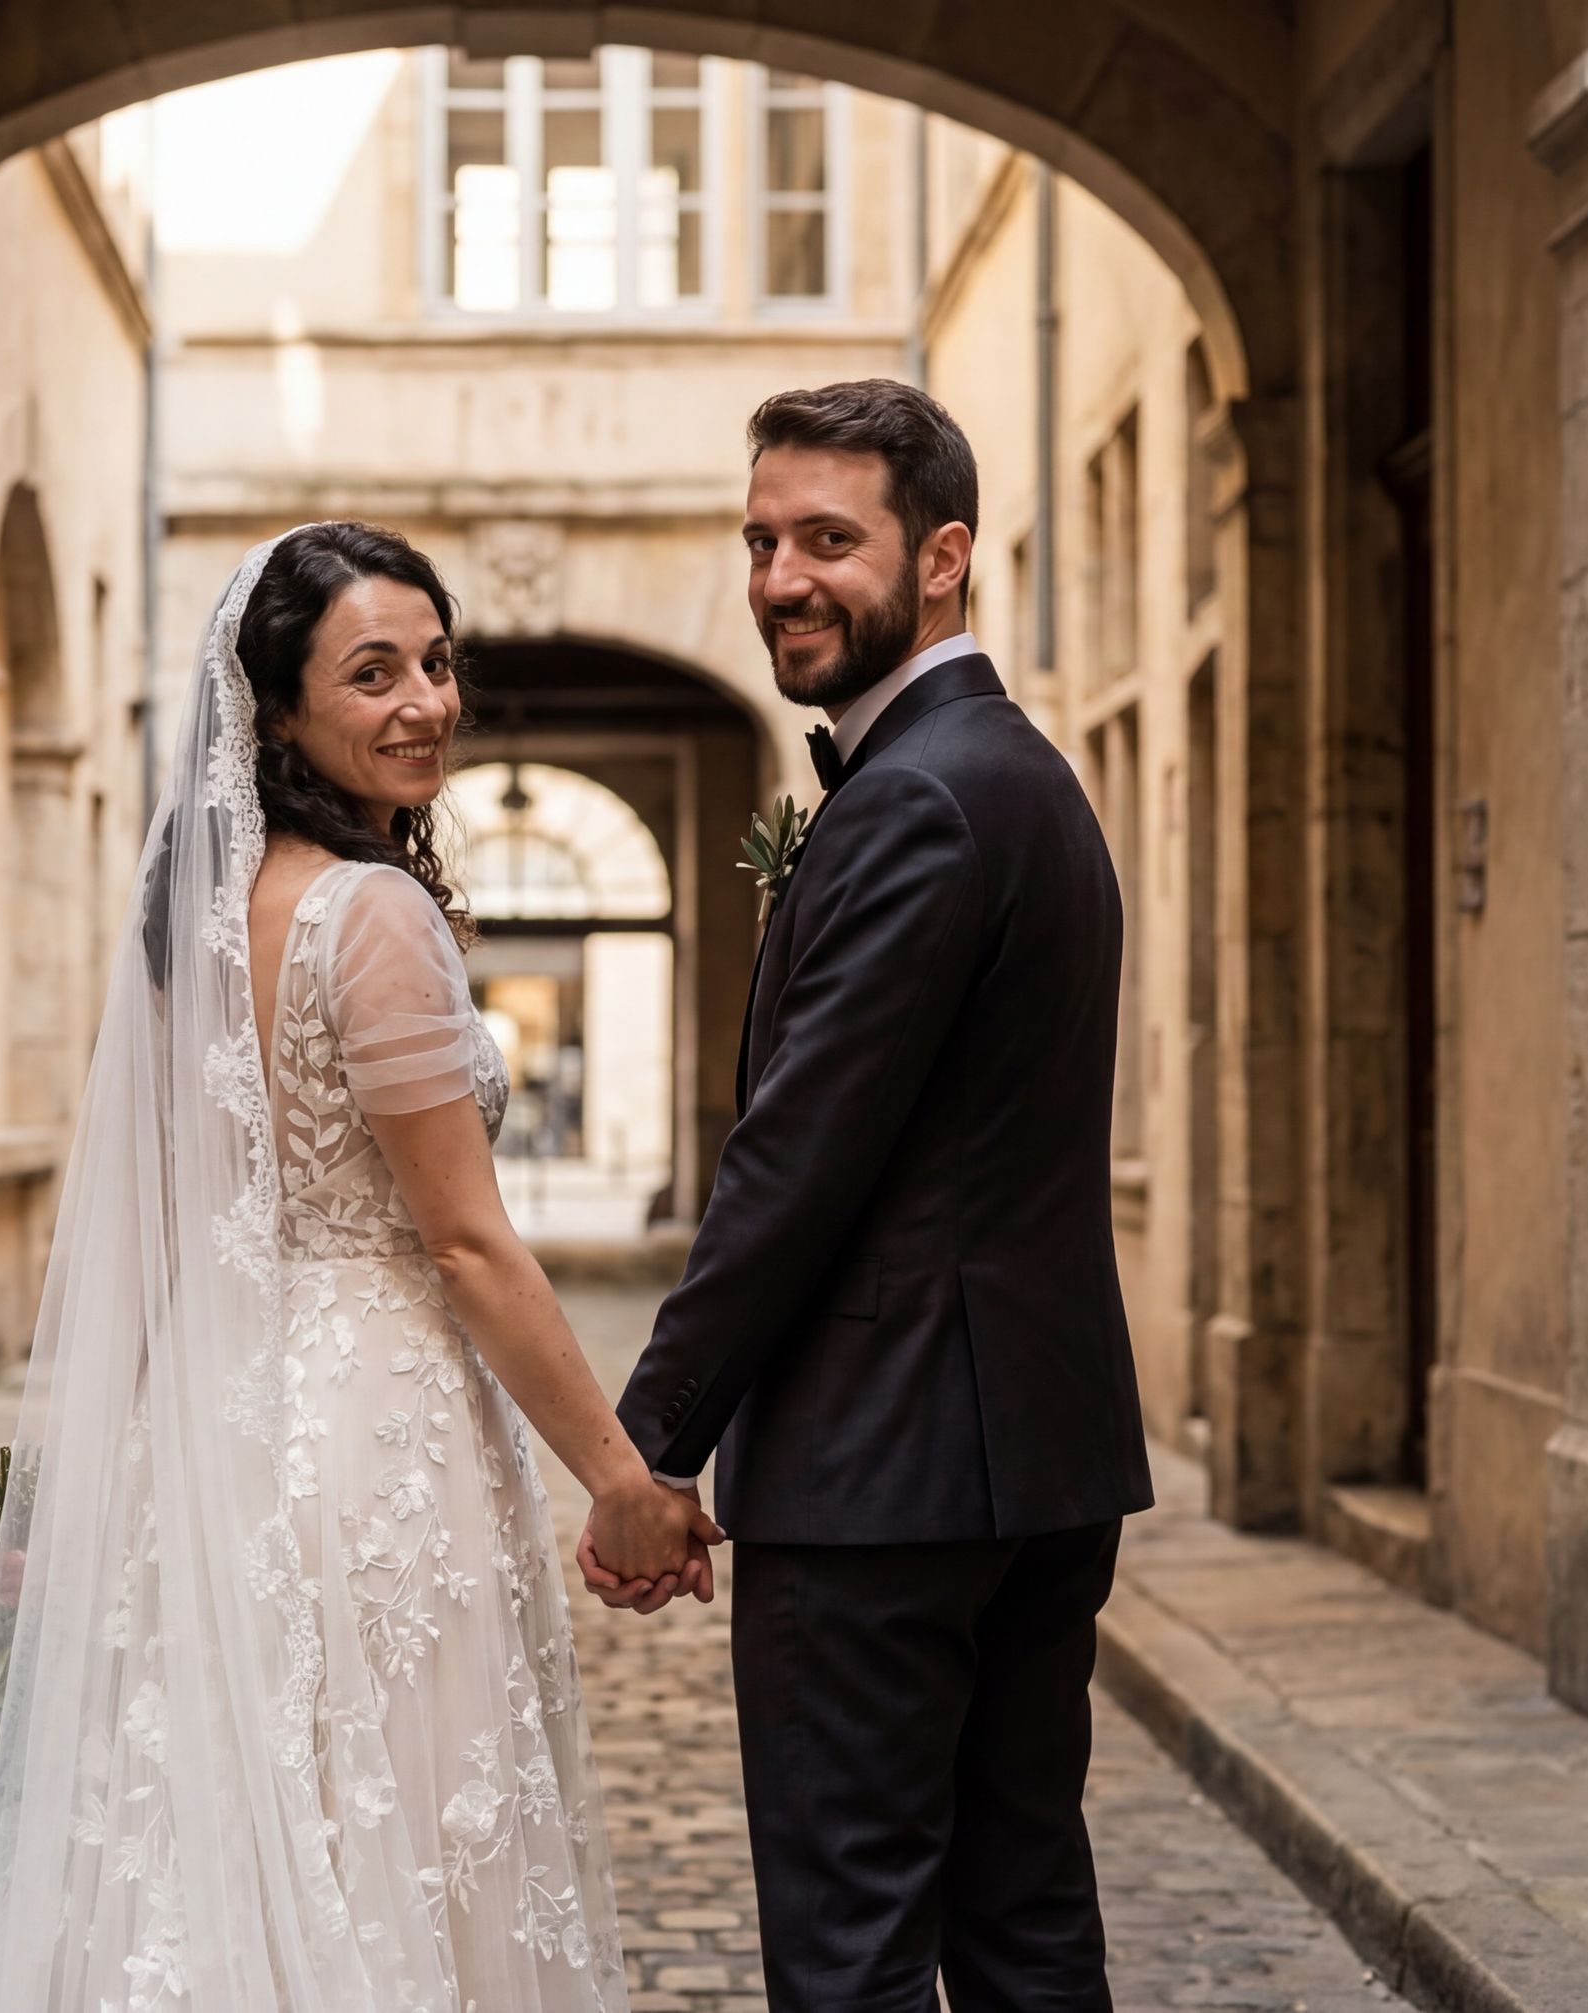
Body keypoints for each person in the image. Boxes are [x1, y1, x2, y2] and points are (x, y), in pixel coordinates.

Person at [0, 522, 715, 2013]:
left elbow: (170, 1239)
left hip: (210, 1435)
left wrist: (82, 1496)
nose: (425, 702)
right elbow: (468, 1244)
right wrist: (619, 1473)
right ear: (277, 711)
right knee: (383, 1835)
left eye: (436, 661)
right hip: (369, 1446)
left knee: (230, 1830)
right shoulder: (374, 914)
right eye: (373, 673)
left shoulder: (199, 922)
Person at [586, 381, 1155, 2011]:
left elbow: (798, 1160)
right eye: (762, 539)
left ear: (946, 556)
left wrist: (649, 1448)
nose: (780, 577)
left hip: (884, 1479)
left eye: (830, 539)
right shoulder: (1014, 774)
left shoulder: (914, 797)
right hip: (1033, 1457)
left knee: (851, 1952)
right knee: (1025, 1911)